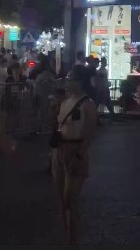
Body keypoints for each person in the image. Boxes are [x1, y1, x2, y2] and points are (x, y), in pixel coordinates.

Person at [52, 67, 97, 244]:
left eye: (71, 78)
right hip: (59, 150)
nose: (67, 81)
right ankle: (68, 236)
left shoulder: (88, 104)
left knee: (70, 199)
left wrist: (79, 154)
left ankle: (73, 240)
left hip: (75, 150)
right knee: (62, 200)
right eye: (68, 78)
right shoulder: (64, 101)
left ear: (80, 82)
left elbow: (90, 132)